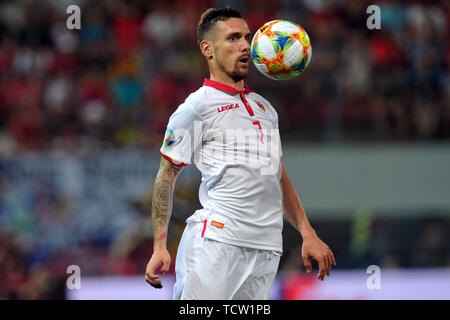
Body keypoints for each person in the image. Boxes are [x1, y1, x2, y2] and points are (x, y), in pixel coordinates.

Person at [145, 7, 335, 300]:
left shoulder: (266, 109)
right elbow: (165, 177)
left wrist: (306, 231)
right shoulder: (195, 108)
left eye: (247, 37)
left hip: (267, 248)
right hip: (217, 244)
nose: (246, 45)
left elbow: (277, 175)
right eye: (233, 38)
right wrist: (160, 245)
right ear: (207, 48)